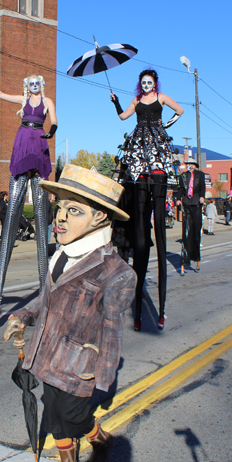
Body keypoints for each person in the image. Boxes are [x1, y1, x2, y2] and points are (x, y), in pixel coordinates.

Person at [5, 164, 136, 462]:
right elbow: (48, 299)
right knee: (52, 411)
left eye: (74, 210)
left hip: (79, 365)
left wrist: (103, 379)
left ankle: (93, 434)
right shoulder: (61, 254)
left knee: (70, 414)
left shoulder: (117, 272)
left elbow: (113, 331)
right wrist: (22, 317)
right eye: (59, 207)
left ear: (100, 217)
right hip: (45, 352)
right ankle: (74, 451)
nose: (60, 217)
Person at [0, 74, 57, 326]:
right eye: (30, 83)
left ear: (40, 85)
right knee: (10, 223)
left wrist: (51, 133)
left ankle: (47, 306)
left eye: (36, 83)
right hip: (23, 143)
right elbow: (1, 95)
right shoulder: (23, 99)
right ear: (27, 85)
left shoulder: (47, 101)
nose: (33, 86)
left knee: (42, 230)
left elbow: (54, 122)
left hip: (39, 145)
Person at [110, 69, 184, 332]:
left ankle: (161, 310)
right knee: (141, 238)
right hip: (139, 160)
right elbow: (123, 116)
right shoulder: (137, 101)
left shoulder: (162, 98)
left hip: (159, 161)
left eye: (149, 81)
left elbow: (181, 111)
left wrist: (165, 125)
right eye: (142, 81)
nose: (146, 84)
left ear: (155, 82)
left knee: (160, 234)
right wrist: (116, 101)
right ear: (140, 83)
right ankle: (138, 311)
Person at [176, 160, 205, 276]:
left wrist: (202, 196)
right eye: (188, 164)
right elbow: (180, 189)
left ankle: (196, 257)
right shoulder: (183, 176)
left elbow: (202, 186)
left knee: (196, 232)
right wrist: (178, 198)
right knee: (186, 233)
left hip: (196, 203)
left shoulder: (200, 175)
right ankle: (184, 261)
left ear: (195, 166)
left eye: (191, 164)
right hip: (187, 204)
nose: (189, 166)